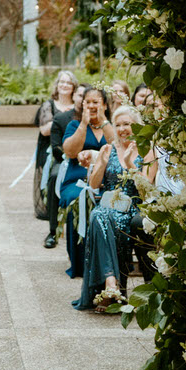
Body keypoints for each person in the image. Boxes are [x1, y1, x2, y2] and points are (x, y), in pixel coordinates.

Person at [73, 106, 145, 310]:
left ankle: (109, 288)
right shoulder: (108, 148)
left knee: (102, 219)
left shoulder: (145, 150)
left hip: (132, 206)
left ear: (136, 125)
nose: (122, 129)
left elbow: (147, 190)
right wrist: (102, 163)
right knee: (98, 215)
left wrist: (131, 164)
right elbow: (94, 186)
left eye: (127, 124)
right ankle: (111, 284)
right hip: (108, 204)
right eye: (119, 125)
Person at [59, 86, 115, 278]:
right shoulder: (74, 126)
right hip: (78, 179)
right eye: (88, 102)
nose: (91, 106)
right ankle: (80, 263)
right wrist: (84, 124)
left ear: (105, 105)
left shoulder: (112, 125)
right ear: (82, 105)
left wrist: (104, 122)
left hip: (106, 180)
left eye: (96, 102)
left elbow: (118, 148)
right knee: (78, 198)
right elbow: (70, 152)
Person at [43, 82, 83, 249]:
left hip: (93, 162)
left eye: (85, 96)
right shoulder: (61, 118)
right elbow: (56, 148)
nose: (82, 99)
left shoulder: (100, 118)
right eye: (80, 95)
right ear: (74, 96)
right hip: (65, 161)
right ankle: (53, 231)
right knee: (54, 177)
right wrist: (73, 155)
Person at [34, 70, 77, 220]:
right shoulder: (49, 105)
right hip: (51, 149)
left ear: (74, 87)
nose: (65, 85)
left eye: (68, 82)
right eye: (62, 82)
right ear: (57, 85)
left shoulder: (77, 106)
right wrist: (61, 119)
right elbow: (45, 130)